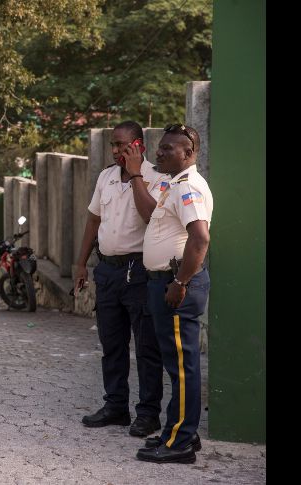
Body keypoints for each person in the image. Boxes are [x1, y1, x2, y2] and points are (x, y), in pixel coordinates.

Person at [74, 120, 168, 438]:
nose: (116, 151)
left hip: (140, 271)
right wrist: (81, 263)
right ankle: (116, 406)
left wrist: (137, 172)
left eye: (123, 145)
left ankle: (148, 414)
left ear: (138, 145)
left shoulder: (157, 178)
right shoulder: (106, 178)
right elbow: (93, 221)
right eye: (113, 145)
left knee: (146, 347)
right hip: (109, 271)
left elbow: (151, 216)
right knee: (112, 344)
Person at [135, 123, 212, 464]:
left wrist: (179, 283)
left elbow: (200, 239)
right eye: (160, 147)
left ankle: (179, 443)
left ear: (188, 153)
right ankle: (178, 433)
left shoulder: (188, 187)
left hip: (177, 286)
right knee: (176, 364)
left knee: (182, 367)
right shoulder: (173, 184)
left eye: (168, 149)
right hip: (166, 283)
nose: (159, 153)